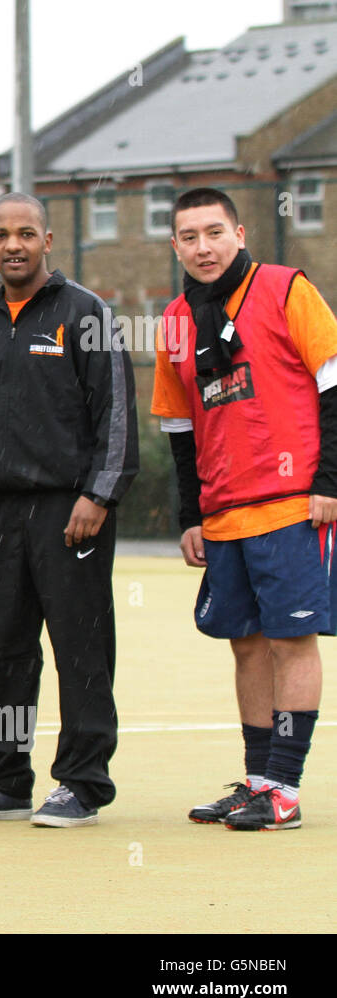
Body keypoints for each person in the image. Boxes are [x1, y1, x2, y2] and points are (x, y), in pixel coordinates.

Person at [0, 191, 138, 828]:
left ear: (49, 241)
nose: (13, 245)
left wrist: (98, 494)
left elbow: (117, 415)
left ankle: (82, 781)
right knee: (7, 648)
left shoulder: (86, 314)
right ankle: (5, 777)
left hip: (70, 511)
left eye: (26, 233)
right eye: (1, 235)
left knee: (82, 648)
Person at [151, 187, 337, 831]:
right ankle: (257, 782)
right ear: (174, 244)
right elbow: (179, 428)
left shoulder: (286, 288)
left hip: (293, 504)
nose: (203, 247)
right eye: (189, 237)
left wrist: (330, 481)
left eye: (214, 233)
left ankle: (284, 787)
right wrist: (189, 515)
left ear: (240, 232)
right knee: (247, 647)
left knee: (291, 641)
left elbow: (334, 382)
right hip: (225, 512)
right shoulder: (174, 319)